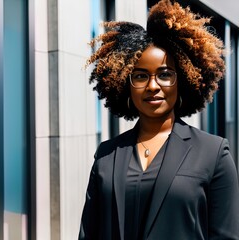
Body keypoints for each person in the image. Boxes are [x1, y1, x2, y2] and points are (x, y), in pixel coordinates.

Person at [79, 0, 239, 239]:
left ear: (183, 78)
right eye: (141, 76)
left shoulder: (213, 154)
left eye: (165, 74)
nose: (153, 86)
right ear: (125, 83)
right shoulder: (106, 155)